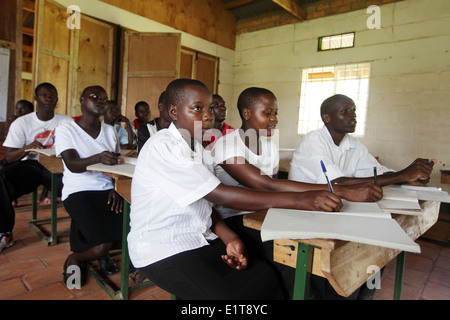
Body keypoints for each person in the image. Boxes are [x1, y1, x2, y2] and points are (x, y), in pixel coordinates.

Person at [128, 78, 343, 300]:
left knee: (263, 276)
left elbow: (204, 206)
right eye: (197, 108)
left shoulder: (198, 149)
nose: (208, 115)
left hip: (200, 238)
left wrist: (230, 237)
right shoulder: (164, 146)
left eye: (210, 108)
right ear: (173, 111)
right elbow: (219, 194)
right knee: (234, 294)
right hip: (162, 247)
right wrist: (302, 201)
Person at [210, 87, 383, 299]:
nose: (274, 119)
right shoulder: (226, 146)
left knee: (327, 253)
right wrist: (339, 190)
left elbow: (275, 188)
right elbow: (266, 185)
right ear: (247, 114)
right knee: (296, 264)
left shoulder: (268, 145)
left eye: (276, 113)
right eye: (267, 113)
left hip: (267, 214)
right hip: (237, 220)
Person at [55, 86, 124, 287]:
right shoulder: (67, 129)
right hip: (79, 191)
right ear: (82, 100)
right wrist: (98, 157)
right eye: (94, 96)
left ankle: (96, 248)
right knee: (102, 247)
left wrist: (117, 188)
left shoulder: (110, 131)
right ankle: (77, 258)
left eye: (104, 98)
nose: (100, 100)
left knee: (128, 236)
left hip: (107, 190)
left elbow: (116, 165)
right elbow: (72, 165)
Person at [288, 94, 434, 186]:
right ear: (327, 118)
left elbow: (376, 173)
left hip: (329, 206)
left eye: (354, 110)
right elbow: (335, 182)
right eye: (345, 111)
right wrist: (402, 175)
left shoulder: (353, 144)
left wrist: (410, 177)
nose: (353, 115)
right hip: (303, 209)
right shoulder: (313, 140)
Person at [0, 83, 73, 252]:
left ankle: (85, 233)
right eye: (44, 95)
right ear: (36, 98)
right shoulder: (22, 122)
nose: (49, 98)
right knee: (2, 179)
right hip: (31, 166)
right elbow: (10, 157)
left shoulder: (66, 121)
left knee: (80, 187)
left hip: (57, 166)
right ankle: (4, 232)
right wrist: (27, 147)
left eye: (52, 95)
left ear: (57, 99)